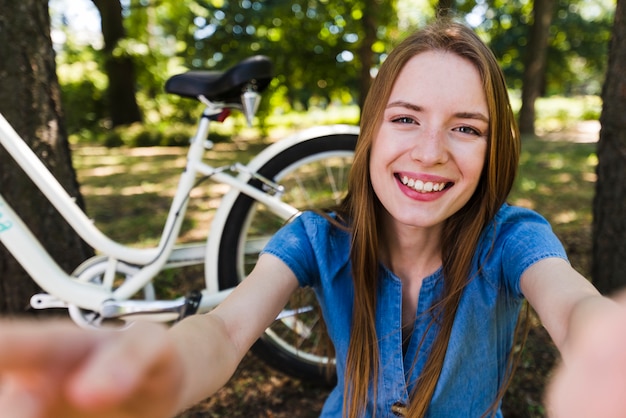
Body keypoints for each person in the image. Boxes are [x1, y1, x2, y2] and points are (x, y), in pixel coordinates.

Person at [0, 18, 625, 418]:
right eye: (406, 118)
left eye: (465, 128)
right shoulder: (315, 239)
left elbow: (573, 307)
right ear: (372, 132)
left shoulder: (511, 240)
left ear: (494, 152)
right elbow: (223, 332)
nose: (430, 150)